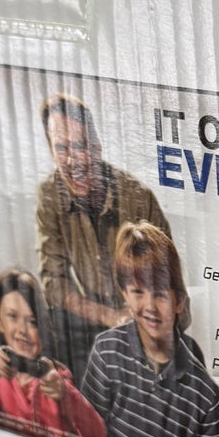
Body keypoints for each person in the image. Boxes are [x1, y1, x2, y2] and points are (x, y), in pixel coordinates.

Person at [82, 222, 219, 437]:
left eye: (160, 294)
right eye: (138, 291)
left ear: (179, 301)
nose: (150, 306)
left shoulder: (204, 391)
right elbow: (86, 433)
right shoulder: (106, 353)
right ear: (124, 294)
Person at [35, 93, 173, 379]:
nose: (71, 160)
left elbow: (168, 284)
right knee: (49, 322)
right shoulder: (49, 195)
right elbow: (53, 283)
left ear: (97, 147)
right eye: (61, 148)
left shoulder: (138, 199)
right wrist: (108, 316)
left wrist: (136, 321)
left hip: (143, 314)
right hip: (94, 315)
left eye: (79, 146)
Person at [0, 269, 106, 437]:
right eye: (12, 317)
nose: (22, 330)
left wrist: (66, 395)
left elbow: (97, 435)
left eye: (32, 322)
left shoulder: (55, 376)